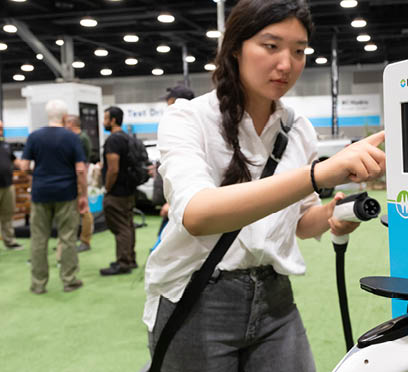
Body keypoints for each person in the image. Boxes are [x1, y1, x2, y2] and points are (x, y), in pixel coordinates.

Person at [143, 1, 385, 370]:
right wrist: (317, 175)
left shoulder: (298, 129)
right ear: (236, 48)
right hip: (196, 298)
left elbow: (299, 221)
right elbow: (197, 214)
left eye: (299, 51)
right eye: (271, 46)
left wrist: (330, 216)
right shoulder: (187, 119)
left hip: (274, 297)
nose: (286, 64)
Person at [21, 99, 87, 294]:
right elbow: (81, 170)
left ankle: (38, 284)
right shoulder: (72, 138)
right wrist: (82, 195)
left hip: (41, 192)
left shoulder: (34, 136)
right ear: (65, 117)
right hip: (66, 193)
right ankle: (69, 280)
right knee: (67, 237)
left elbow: (24, 166)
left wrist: (38, 176)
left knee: (39, 238)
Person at [152, 84, 196, 235]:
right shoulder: (188, 123)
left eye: (169, 102)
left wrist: (170, 203)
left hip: (181, 203)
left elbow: (186, 168)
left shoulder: (186, 126)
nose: (167, 106)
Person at [99, 106, 137, 276]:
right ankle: (130, 259)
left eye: (106, 118)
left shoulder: (113, 140)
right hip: (129, 190)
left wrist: (107, 188)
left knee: (121, 228)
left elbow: (113, 169)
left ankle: (123, 263)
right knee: (128, 225)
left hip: (117, 192)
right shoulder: (127, 138)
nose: (103, 122)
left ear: (113, 120)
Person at [56, 115, 93, 254]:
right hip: (73, 178)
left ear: (71, 124)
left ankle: (85, 240)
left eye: (66, 123)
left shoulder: (81, 139)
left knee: (84, 210)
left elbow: (81, 164)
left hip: (78, 178)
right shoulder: (78, 138)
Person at [0, 120, 22, 251]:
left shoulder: (6, 145)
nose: (1, 129)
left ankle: (10, 241)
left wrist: (29, 167)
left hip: (8, 185)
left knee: (8, 214)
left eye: (2, 127)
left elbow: (15, 160)